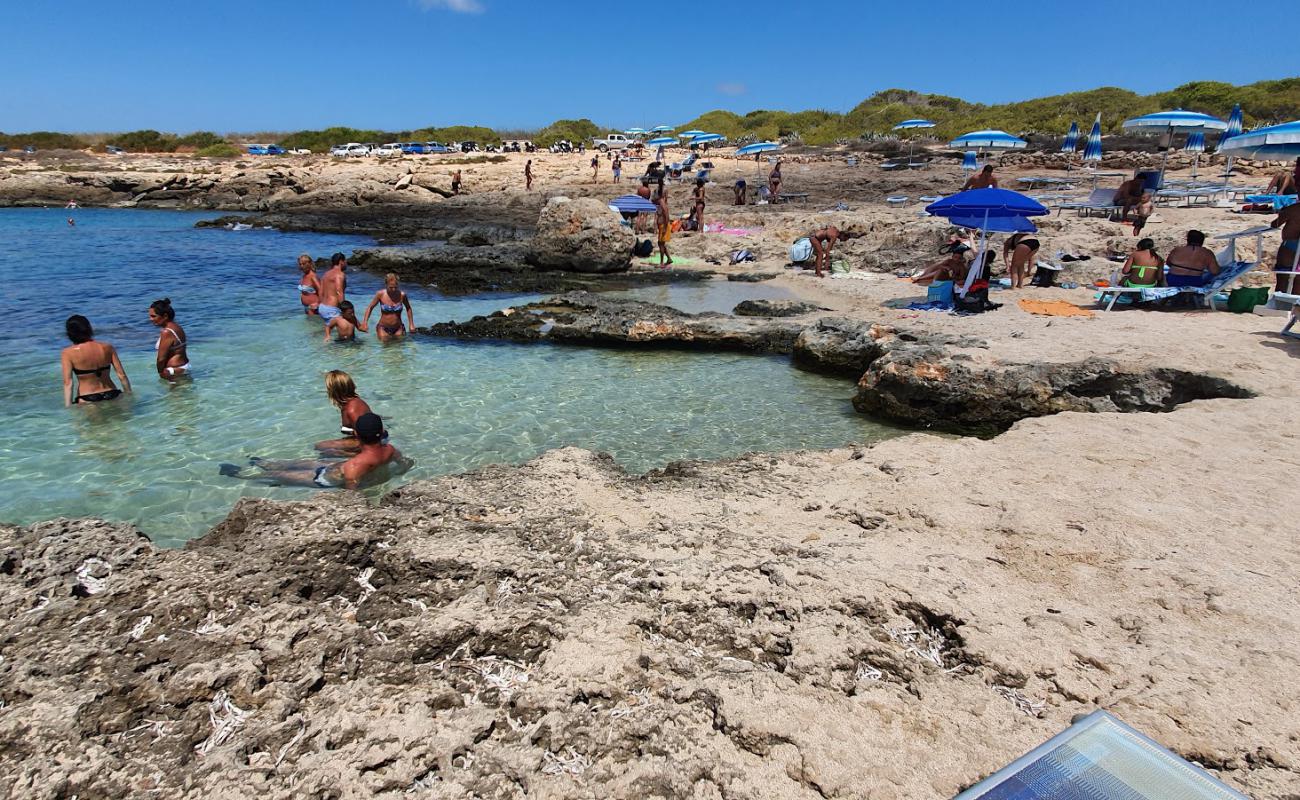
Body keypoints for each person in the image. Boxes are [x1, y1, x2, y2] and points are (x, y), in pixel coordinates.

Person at [222, 413, 405, 489]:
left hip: (323, 478)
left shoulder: (355, 465)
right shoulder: (390, 450)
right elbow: (404, 464)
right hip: (333, 466)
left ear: (356, 435)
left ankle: (242, 476)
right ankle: (259, 462)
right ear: (381, 433)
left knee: (278, 474)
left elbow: (352, 492)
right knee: (291, 464)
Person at [61, 315, 130, 406]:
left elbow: (68, 383)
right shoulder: (107, 347)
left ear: (70, 333)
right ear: (89, 328)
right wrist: (129, 394)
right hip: (112, 394)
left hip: (87, 398)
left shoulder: (67, 353)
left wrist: (68, 407)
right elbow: (122, 375)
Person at [314, 370, 375, 454]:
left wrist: (344, 453)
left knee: (320, 446)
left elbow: (366, 437)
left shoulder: (352, 409)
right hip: (364, 439)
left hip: (369, 442)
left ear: (334, 391)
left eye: (328, 389)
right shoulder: (352, 403)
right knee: (325, 449)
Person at [363, 273, 415, 342]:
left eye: (395, 287)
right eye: (390, 287)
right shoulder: (380, 294)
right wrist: (365, 322)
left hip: (398, 327)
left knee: (398, 350)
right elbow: (370, 307)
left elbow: (408, 308)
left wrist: (411, 324)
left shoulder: (402, 295)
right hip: (383, 327)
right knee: (386, 350)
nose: (393, 290)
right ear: (386, 285)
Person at [148, 298, 190, 379]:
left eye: (153, 316)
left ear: (165, 316)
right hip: (183, 367)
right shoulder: (177, 327)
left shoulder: (166, 332)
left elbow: (161, 359)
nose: (151, 319)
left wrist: (160, 373)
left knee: (174, 392)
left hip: (172, 371)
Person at [1270, 202, 1300, 291]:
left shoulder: (1293, 208)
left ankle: (1281, 303)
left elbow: (1275, 224)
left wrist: (1283, 213)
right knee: (1298, 280)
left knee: (1283, 277)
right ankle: (1295, 303)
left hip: (1290, 244)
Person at [317, 252, 347, 322]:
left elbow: (320, 292)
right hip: (333, 309)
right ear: (341, 261)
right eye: (345, 261)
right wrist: (345, 310)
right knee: (342, 332)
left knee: (327, 330)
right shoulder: (339, 274)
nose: (346, 264)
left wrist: (323, 306)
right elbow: (339, 291)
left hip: (322, 307)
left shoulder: (326, 274)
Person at [654, 185, 673, 268]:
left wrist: (665, 227)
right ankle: (668, 259)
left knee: (661, 244)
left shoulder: (662, 203)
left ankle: (661, 262)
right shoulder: (660, 203)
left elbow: (666, 216)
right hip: (661, 225)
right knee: (660, 243)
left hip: (663, 225)